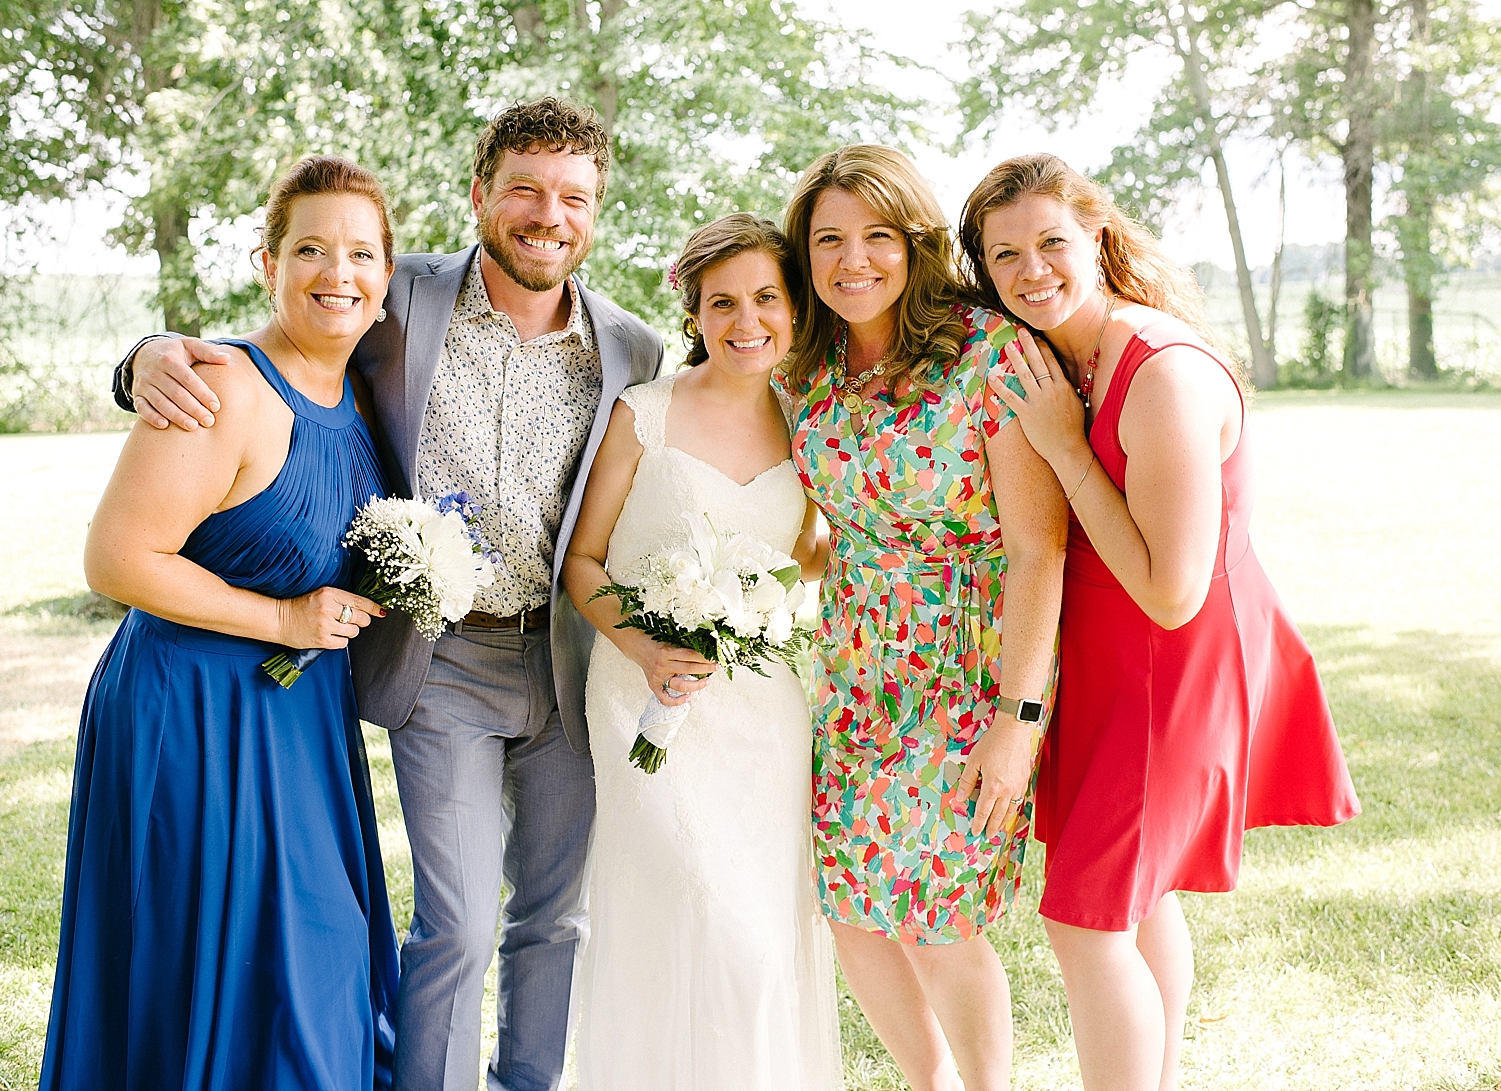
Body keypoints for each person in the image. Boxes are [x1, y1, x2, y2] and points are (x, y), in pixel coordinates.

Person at [118, 99, 663, 1091]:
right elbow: (276, 341)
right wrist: (146, 353)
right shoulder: (394, 297)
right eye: (525, 190)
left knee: (554, 916)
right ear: (481, 195)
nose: (548, 215)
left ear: (595, 210)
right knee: (456, 920)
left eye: (573, 197)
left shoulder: (633, 349)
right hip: (442, 659)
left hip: (565, 664)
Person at [966, 152, 1361, 1091]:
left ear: (1097, 236)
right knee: (1137, 904)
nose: (1031, 271)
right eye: (1005, 254)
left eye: (1051, 242)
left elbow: (1172, 591)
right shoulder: (1063, 355)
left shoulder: (1163, 373)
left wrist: (1067, 450)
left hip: (1169, 668)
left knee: (1084, 921)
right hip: (1106, 661)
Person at [41, 155, 399, 1091]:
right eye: (310, 249)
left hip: (301, 719)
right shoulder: (220, 386)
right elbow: (116, 559)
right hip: (190, 713)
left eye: (361, 253)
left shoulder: (365, 392)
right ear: (267, 264)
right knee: (207, 966)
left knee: (315, 959)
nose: (338, 272)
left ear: (388, 277)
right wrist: (281, 614)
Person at [780, 144, 1067, 1091]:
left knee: (938, 913)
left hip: (968, 670)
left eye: (876, 236)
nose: (853, 259)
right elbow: (821, 529)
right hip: (854, 669)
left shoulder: (989, 352)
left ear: (914, 242)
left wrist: (1018, 720)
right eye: (828, 239)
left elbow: (1040, 548)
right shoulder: (807, 367)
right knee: (850, 901)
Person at [561, 213, 840, 1088]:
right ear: (694, 313)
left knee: (759, 938)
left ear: (794, 309)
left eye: (766, 298)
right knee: (694, 911)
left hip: (762, 713)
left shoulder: (811, 419)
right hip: (646, 702)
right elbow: (583, 560)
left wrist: (761, 598)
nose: (746, 320)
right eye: (723, 302)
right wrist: (647, 648)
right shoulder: (643, 413)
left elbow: (807, 553)